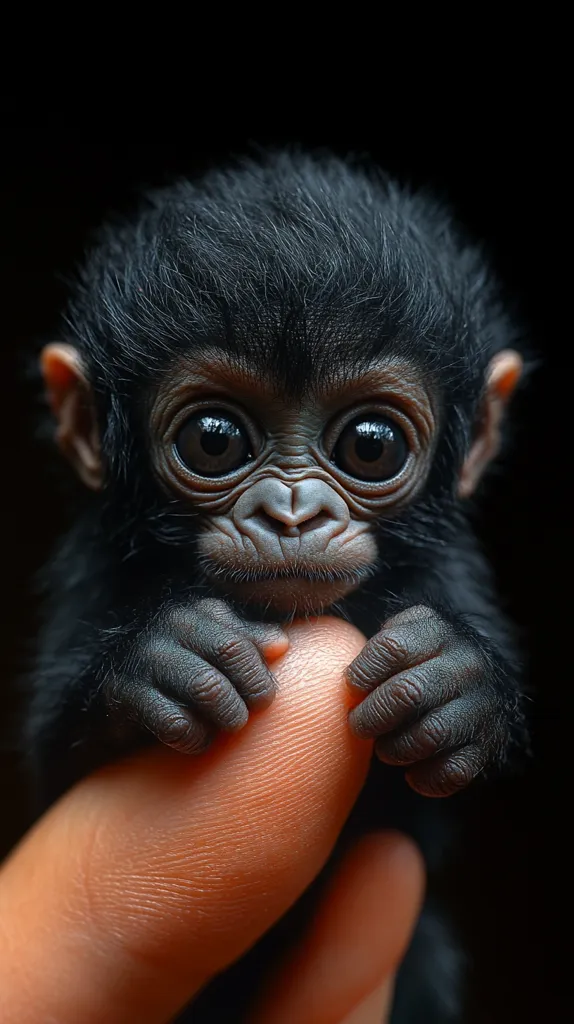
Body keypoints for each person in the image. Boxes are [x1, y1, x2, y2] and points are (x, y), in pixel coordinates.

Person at [0, 617, 424, 1024]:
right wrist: (127, 673)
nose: (290, 536)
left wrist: (464, 687)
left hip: (353, 923)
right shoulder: (106, 576)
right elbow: (58, 748)